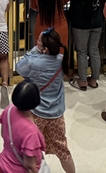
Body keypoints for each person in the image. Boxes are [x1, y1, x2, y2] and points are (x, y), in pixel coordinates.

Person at [16, 31, 74, 173]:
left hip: (36, 114)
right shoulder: (61, 60)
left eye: (39, 41)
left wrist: (34, 51)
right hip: (56, 114)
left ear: (45, 49)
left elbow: (19, 68)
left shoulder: (33, 62)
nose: (37, 41)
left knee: (32, 150)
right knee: (63, 150)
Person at [66, 0, 103, 91]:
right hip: (97, 20)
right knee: (94, 50)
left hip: (80, 22)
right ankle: (94, 80)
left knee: (81, 52)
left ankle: (82, 81)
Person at [0, 80, 46, 173]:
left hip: (2, 166)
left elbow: (3, 134)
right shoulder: (31, 132)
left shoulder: (9, 109)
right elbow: (30, 166)